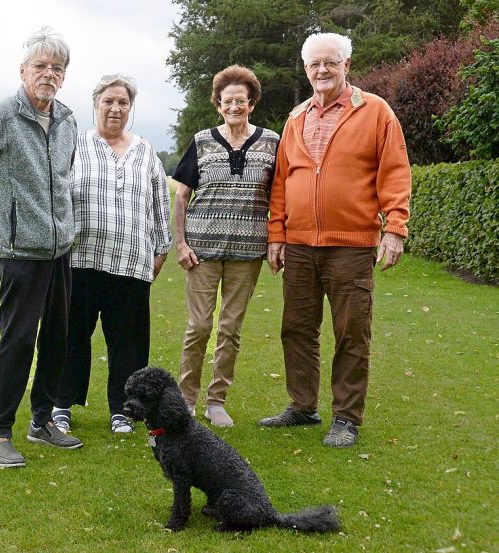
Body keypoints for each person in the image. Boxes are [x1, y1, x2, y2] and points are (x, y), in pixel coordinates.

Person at [259, 33, 411, 448]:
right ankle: (303, 406)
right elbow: (280, 181)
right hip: (301, 244)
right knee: (297, 329)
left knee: (351, 332)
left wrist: (395, 227)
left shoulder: (375, 111)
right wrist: (277, 234)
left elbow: (395, 171)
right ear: (306, 70)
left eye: (331, 63)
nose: (322, 71)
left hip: (352, 244)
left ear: (347, 65)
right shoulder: (296, 117)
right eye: (314, 65)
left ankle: (346, 417)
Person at [0, 27, 83, 468]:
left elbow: (64, 180)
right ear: (23, 70)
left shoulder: (67, 119)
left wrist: (62, 227)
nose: (49, 74)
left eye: (57, 69)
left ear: (64, 77)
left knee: (58, 337)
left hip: (59, 249)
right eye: (41, 66)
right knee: (18, 341)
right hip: (18, 253)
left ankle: (43, 420)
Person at [51, 74, 172, 435]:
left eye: (123, 103)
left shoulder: (145, 150)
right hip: (79, 260)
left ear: (130, 108)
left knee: (128, 341)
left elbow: (159, 200)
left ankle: (123, 409)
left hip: (131, 263)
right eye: (109, 101)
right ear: (96, 105)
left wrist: (161, 248)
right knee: (71, 336)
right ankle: (60, 405)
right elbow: (55, 193)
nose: (116, 109)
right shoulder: (74, 144)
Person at [170, 65, 279, 428]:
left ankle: (216, 401)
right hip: (201, 252)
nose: (234, 106)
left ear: (252, 104)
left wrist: (278, 241)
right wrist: (181, 244)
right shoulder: (202, 142)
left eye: (241, 100)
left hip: (248, 254)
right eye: (227, 101)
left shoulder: (271, 143)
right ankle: (186, 401)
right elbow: (181, 197)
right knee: (199, 327)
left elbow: (279, 197)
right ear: (218, 105)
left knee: (230, 329)